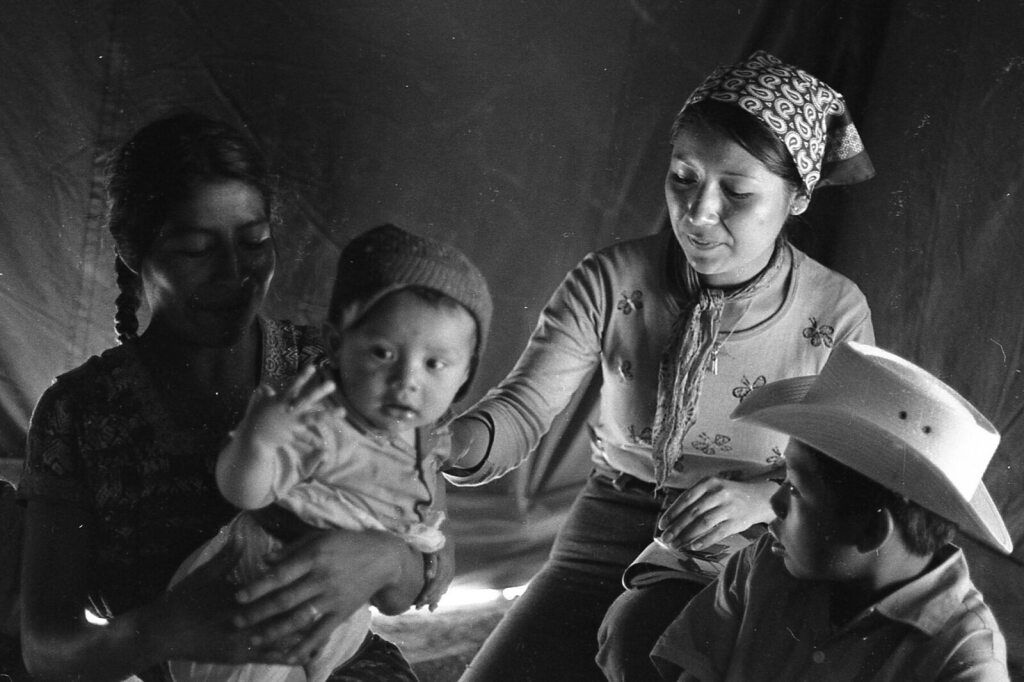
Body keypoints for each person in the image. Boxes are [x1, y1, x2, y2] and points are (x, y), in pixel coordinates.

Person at [447, 50, 878, 680]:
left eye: (736, 191)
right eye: (683, 177)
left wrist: (765, 498)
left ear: (797, 199)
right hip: (606, 521)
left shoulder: (835, 310)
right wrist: (447, 442)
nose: (699, 213)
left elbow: (853, 470)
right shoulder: (611, 280)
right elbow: (523, 408)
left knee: (643, 647)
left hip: (747, 539)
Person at [17, 112, 432, 681]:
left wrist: (385, 560)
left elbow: (427, 557)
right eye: (195, 249)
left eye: (254, 241)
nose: (235, 272)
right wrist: (168, 627)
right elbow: (46, 652)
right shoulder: (81, 412)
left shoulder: (331, 370)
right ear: (136, 253)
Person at [169, 223, 493, 682]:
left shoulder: (421, 436)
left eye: (434, 363)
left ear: (464, 376)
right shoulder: (320, 423)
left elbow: (422, 508)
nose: (407, 380)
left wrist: (430, 547)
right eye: (382, 353)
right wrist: (258, 441)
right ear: (338, 346)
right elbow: (245, 492)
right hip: (260, 598)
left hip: (341, 609)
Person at [651, 340, 1013, 681]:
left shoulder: (963, 659)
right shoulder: (760, 564)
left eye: (794, 488)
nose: (774, 503)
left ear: (871, 531)